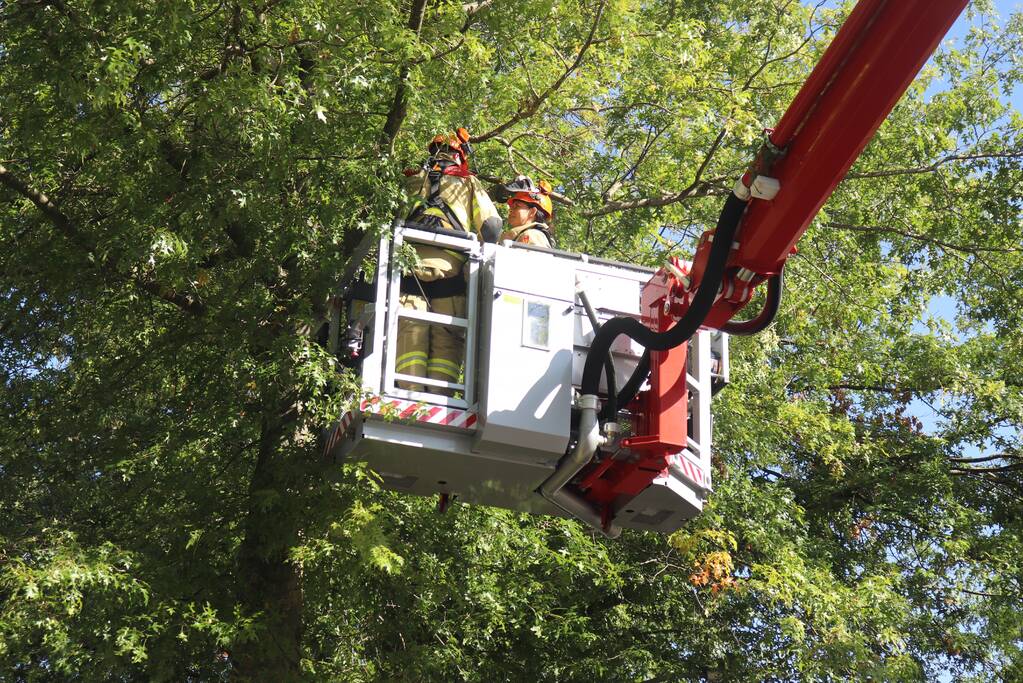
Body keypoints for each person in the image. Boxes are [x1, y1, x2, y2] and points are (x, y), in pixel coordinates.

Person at [397, 130, 502, 395]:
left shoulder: (411, 181)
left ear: (432, 151)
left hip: (410, 274)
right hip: (451, 279)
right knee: (447, 342)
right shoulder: (468, 183)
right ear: (461, 155)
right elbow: (491, 227)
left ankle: (410, 395)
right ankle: (439, 399)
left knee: (410, 336)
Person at [498, 176, 556, 248]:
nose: (511, 210)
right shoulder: (521, 235)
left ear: (532, 212)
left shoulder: (532, 235)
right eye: (511, 207)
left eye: (517, 206)